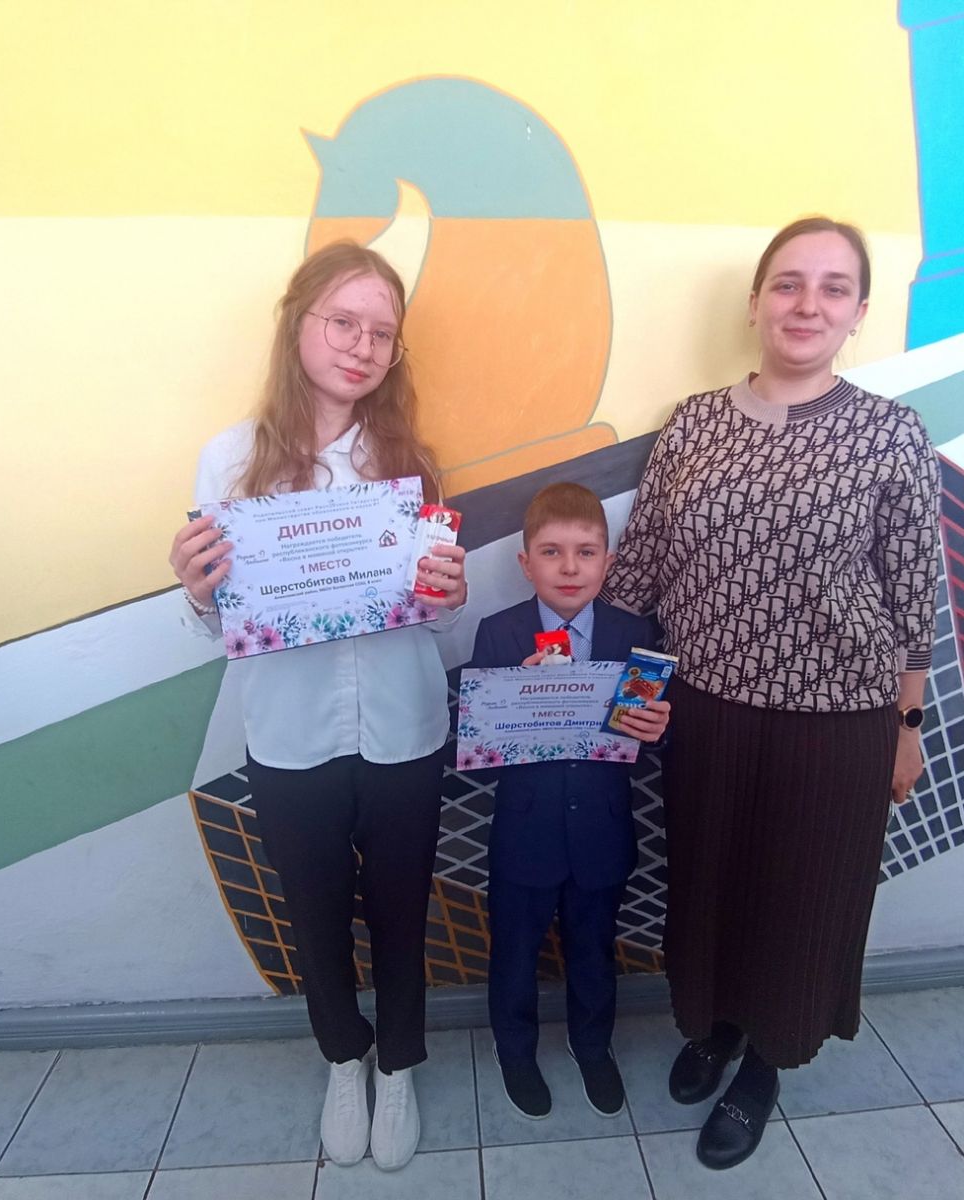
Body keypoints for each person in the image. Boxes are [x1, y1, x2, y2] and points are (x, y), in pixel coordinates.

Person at [603, 217, 940, 1169]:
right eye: (788, 283)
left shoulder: (889, 434)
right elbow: (642, 572)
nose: (806, 305)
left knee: (800, 903)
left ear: (858, 313)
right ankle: (714, 1027)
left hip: (836, 725)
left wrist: (906, 727)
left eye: (833, 288)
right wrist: (610, 696)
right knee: (708, 889)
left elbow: (912, 597)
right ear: (755, 302)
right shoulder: (694, 423)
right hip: (706, 714)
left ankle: (766, 1064)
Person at [168, 241, 467, 1172]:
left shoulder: (410, 464)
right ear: (298, 323)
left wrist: (448, 597)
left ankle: (398, 1064)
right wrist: (197, 593)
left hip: (404, 729)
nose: (362, 346)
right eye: (343, 322)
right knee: (314, 911)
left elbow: (434, 623)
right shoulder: (229, 461)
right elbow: (219, 627)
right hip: (290, 737)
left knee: (402, 908)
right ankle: (344, 1056)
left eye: (382, 333)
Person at [467, 483, 670, 1119]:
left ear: (608, 562)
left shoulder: (635, 634)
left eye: (586, 552)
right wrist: (511, 698)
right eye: (551, 552)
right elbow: (472, 741)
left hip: (603, 834)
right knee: (514, 954)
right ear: (525, 563)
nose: (570, 567)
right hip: (523, 835)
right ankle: (515, 1050)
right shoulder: (500, 634)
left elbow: (648, 735)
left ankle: (593, 1047)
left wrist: (659, 726)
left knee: (594, 951)